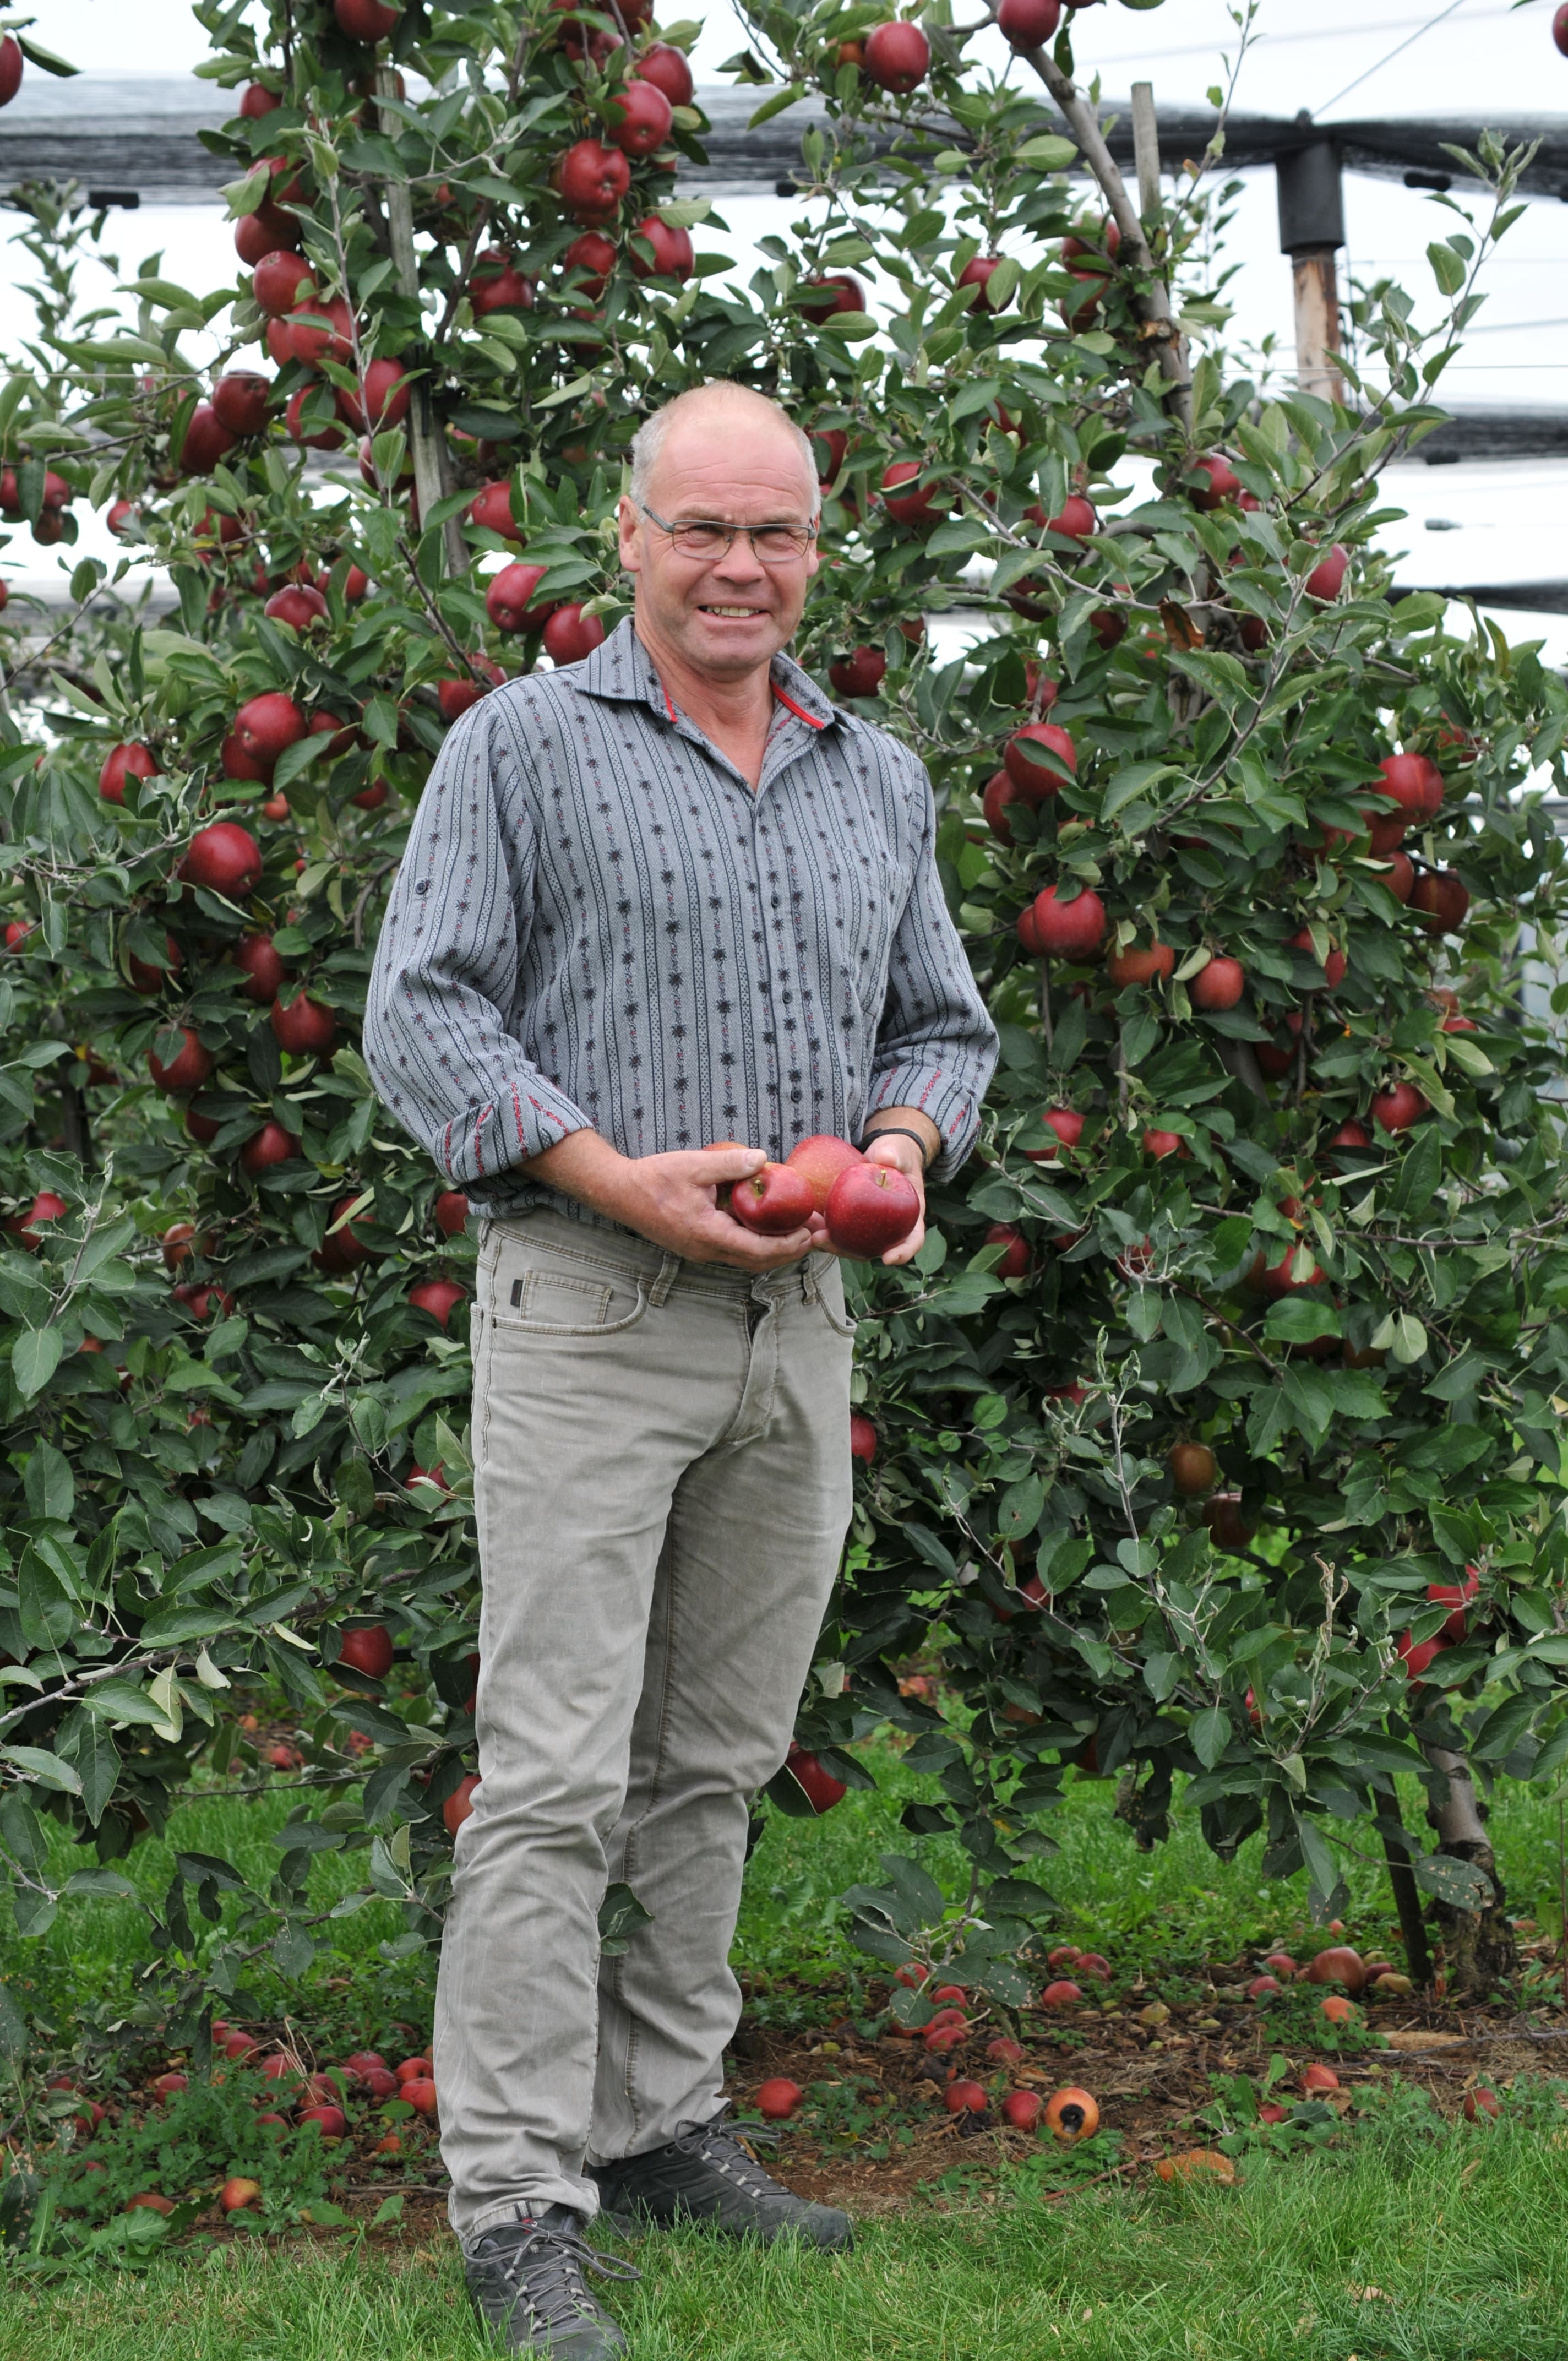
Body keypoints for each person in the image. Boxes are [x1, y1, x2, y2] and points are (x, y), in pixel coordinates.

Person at [364, 378, 997, 2357]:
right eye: (704, 530)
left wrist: (897, 1153)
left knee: (711, 1761)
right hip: (591, 1311)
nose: (740, 567)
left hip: (798, 1321)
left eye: (776, 535)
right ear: (626, 539)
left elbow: (945, 1029)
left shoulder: (870, 775)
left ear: (817, 554)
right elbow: (425, 1014)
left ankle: (658, 2124)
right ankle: (520, 2199)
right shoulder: (522, 752)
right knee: (554, 1774)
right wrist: (617, 1185)